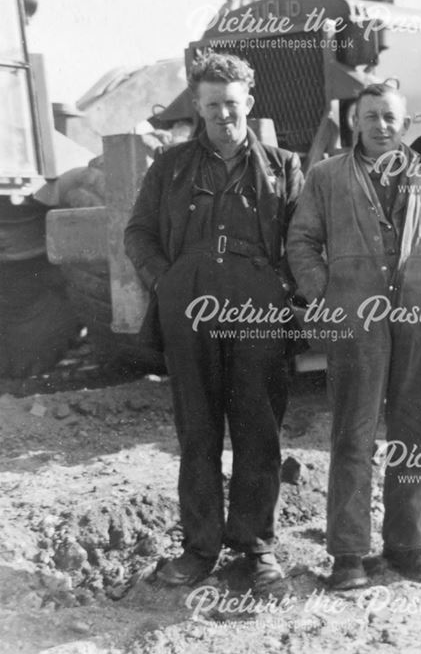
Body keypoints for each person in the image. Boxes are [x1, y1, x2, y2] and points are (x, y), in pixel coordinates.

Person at [124, 52, 303, 587]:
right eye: (212, 105)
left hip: (257, 313)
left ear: (248, 102)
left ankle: (255, 548)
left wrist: (281, 288)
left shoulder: (284, 166)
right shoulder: (170, 167)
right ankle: (199, 550)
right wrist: (166, 282)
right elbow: (138, 233)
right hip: (191, 310)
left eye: (232, 103)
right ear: (198, 109)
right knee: (197, 432)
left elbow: (304, 240)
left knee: (258, 430)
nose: (224, 114)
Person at [286, 82, 421, 590]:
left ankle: (406, 547)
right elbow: (301, 240)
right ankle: (348, 555)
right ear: (355, 123)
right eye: (371, 116)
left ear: (405, 124)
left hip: (420, 318)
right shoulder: (326, 177)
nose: (381, 126)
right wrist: (324, 293)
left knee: (415, 434)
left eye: (390, 117)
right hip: (355, 319)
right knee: (353, 434)